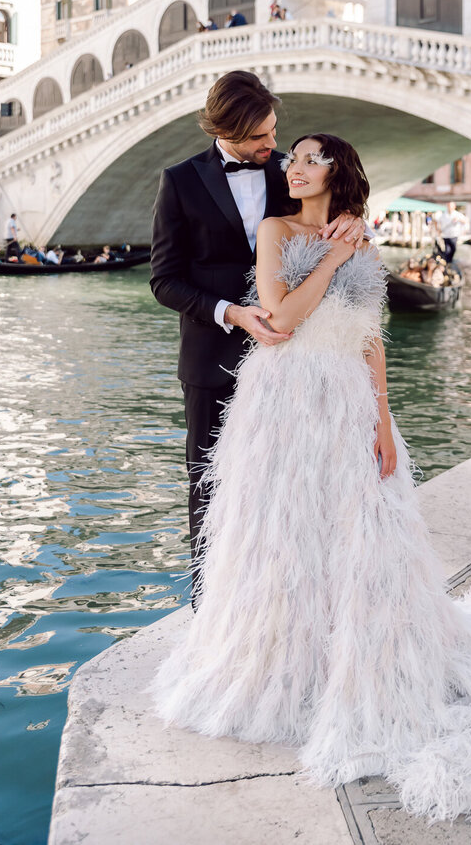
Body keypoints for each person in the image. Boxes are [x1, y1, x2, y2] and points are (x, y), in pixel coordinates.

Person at [152, 133, 471, 821]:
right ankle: (287, 662)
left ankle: (364, 663)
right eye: (292, 157)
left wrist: (383, 418)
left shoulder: (366, 244)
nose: (293, 165)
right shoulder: (278, 229)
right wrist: (337, 255)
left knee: (363, 536)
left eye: (309, 157)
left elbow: (371, 338)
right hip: (286, 399)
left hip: (348, 399)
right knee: (284, 536)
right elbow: (278, 314)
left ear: (340, 173)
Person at [150, 71, 366, 600]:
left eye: (274, 133)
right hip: (213, 356)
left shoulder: (283, 172)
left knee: (287, 484)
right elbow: (164, 281)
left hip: (295, 357)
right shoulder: (178, 182)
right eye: (260, 139)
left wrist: (357, 220)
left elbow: (332, 201)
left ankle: (280, 600)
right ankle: (209, 612)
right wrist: (232, 312)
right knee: (211, 484)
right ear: (222, 130)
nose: (274, 147)